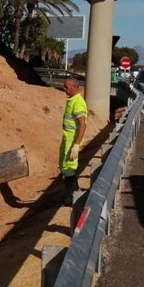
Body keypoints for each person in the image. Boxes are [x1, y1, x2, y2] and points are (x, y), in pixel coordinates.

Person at [59, 77, 87, 206]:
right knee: (66, 169)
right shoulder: (71, 100)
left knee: (69, 170)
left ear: (75, 88)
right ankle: (72, 195)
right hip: (67, 141)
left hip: (71, 143)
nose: (64, 89)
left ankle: (73, 196)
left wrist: (76, 144)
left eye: (67, 87)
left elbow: (82, 125)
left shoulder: (78, 102)